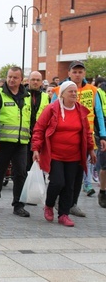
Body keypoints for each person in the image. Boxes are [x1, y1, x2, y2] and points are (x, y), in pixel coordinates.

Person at [32, 81, 95, 227]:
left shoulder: (81, 111)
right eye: (70, 91)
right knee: (58, 182)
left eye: (75, 92)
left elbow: (87, 132)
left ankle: (64, 214)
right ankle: (49, 205)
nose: (74, 94)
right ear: (62, 94)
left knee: (69, 186)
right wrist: (36, 149)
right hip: (55, 155)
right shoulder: (52, 109)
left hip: (74, 156)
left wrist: (91, 149)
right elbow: (39, 129)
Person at [51, 61, 106, 217]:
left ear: (84, 73)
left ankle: (72, 204)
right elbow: (51, 114)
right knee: (62, 174)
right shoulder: (58, 90)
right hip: (63, 139)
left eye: (80, 71)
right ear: (68, 73)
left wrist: (103, 135)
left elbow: (99, 115)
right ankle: (57, 200)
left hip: (85, 139)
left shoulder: (93, 91)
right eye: (74, 72)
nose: (77, 74)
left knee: (78, 173)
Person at [0, 67, 31, 217]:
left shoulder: (27, 96)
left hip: (22, 142)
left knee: (21, 173)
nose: (12, 80)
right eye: (9, 77)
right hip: (4, 141)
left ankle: (18, 205)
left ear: (21, 80)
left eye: (15, 77)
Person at [27, 71, 50, 170]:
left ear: (41, 82)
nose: (35, 82)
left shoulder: (46, 97)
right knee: (25, 165)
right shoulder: (22, 95)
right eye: (33, 79)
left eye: (38, 80)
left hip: (39, 135)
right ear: (28, 81)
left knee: (38, 164)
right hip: (25, 134)